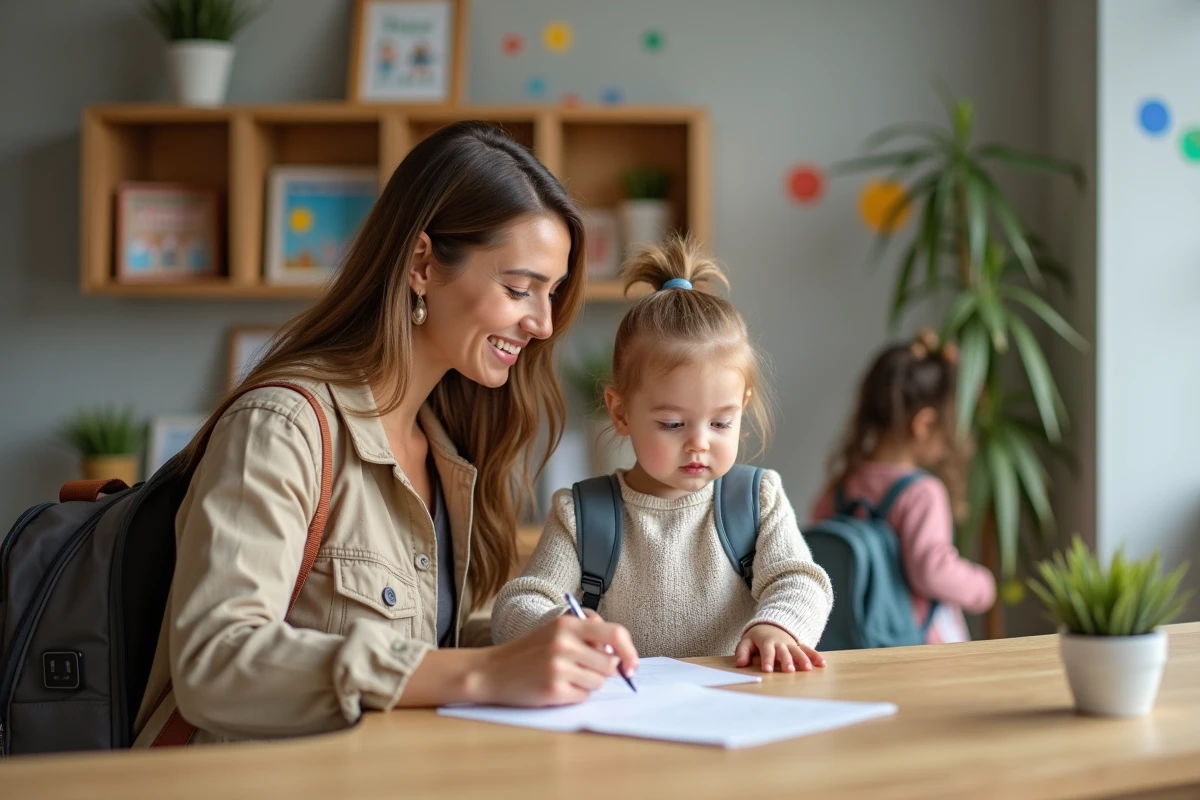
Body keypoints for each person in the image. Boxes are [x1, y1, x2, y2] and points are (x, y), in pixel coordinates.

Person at [133, 121, 638, 746]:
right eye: (518, 289)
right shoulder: (282, 426)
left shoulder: (447, 447)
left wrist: (538, 647)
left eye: (553, 293)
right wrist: (484, 670)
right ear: (422, 263)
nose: (541, 323)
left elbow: (427, 646)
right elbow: (216, 664)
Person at [492, 236, 833, 673]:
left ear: (742, 405)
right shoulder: (581, 514)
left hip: (734, 707)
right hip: (624, 717)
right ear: (620, 412)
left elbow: (799, 581)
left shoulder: (758, 499)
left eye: (721, 423)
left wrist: (779, 626)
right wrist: (558, 627)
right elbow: (518, 605)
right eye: (673, 424)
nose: (699, 442)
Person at [809, 329, 996, 644]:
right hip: (915, 641)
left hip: (852, 639)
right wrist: (982, 586)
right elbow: (932, 571)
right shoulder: (922, 492)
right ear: (923, 424)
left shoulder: (843, 483)